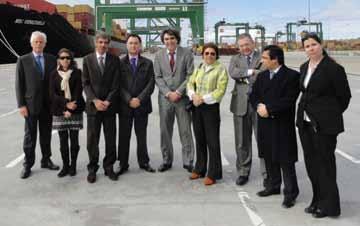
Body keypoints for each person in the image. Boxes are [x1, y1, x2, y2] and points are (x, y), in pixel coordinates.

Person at [296, 33, 351, 218]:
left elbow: (344, 97)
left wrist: (329, 114)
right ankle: (317, 199)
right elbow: (304, 92)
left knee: (325, 165)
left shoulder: (333, 69)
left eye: (313, 44)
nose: (310, 48)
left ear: (321, 45)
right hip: (305, 123)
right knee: (311, 164)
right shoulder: (304, 67)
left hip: (324, 126)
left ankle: (330, 206)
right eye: (307, 46)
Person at [250, 45, 300, 208]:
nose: (261, 60)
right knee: (269, 156)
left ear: (275, 59)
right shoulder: (262, 76)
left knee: (286, 160)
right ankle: (273, 186)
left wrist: (269, 109)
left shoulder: (292, 76)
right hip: (264, 123)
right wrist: (258, 106)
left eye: (264, 58)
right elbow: (254, 95)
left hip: (282, 124)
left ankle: (290, 193)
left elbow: (289, 100)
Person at [15, 31, 59, 179]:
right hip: (30, 105)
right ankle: (27, 165)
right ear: (32, 43)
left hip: (47, 105)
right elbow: (19, 84)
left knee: (46, 135)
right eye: (36, 42)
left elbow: (56, 82)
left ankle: (46, 160)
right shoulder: (23, 60)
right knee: (30, 136)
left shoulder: (52, 59)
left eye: (41, 42)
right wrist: (21, 105)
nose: (39, 44)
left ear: (45, 44)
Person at [187, 43, 228, 186]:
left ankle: (213, 173)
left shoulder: (221, 69)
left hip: (210, 108)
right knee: (200, 139)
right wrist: (193, 96)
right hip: (197, 107)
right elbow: (190, 83)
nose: (209, 56)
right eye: (206, 53)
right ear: (202, 55)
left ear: (216, 55)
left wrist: (202, 98)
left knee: (213, 142)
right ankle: (200, 168)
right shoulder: (199, 67)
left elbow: (220, 90)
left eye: (212, 53)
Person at [154, 29, 195, 172]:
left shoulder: (187, 53)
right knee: (165, 131)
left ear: (177, 39)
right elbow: (158, 77)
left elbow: (191, 75)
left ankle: (188, 161)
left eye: (172, 38)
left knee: (185, 131)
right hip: (165, 99)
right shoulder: (158, 55)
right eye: (166, 39)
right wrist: (168, 93)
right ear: (163, 41)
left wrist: (178, 91)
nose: (169, 41)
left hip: (182, 98)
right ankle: (166, 160)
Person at [228, 33, 267, 186]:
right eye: (241, 45)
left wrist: (243, 76)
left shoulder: (263, 56)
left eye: (247, 44)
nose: (245, 48)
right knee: (241, 141)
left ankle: (267, 173)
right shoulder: (235, 59)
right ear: (238, 47)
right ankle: (243, 172)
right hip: (240, 104)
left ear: (253, 43)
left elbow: (263, 74)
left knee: (263, 140)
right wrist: (251, 72)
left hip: (259, 104)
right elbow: (233, 73)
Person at [82, 32, 120, 183]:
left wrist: (108, 101)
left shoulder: (114, 60)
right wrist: (95, 100)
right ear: (95, 43)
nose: (103, 45)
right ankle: (92, 168)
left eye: (106, 42)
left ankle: (109, 166)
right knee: (92, 140)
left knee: (110, 139)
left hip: (109, 107)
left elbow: (116, 84)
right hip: (93, 107)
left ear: (108, 44)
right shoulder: (87, 60)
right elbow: (85, 83)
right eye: (100, 42)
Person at [117, 34, 155, 175]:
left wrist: (139, 99)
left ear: (140, 45)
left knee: (141, 136)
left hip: (142, 105)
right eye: (131, 43)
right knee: (124, 136)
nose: (133, 46)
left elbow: (151, 84)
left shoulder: (147, 63)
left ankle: (144, 162)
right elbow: (118, 84)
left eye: (136, 43)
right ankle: (123, 163)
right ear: (127, 45)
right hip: (125, 106)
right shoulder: (120, 63)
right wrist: (128, 99)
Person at [49, 48, 85, 177]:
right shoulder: (53, 74)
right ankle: (65, 166)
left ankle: (73, 166)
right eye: (62, 57)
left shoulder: (77, 73)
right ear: (58, 59)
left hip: (75, 110)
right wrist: (65, 106)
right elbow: (52, 94)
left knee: (74, 141)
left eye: (68, 58)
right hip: (60, 111)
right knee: (63, 141)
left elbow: (78, 91)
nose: (65, 60)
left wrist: (70, 108)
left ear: (71, 59)